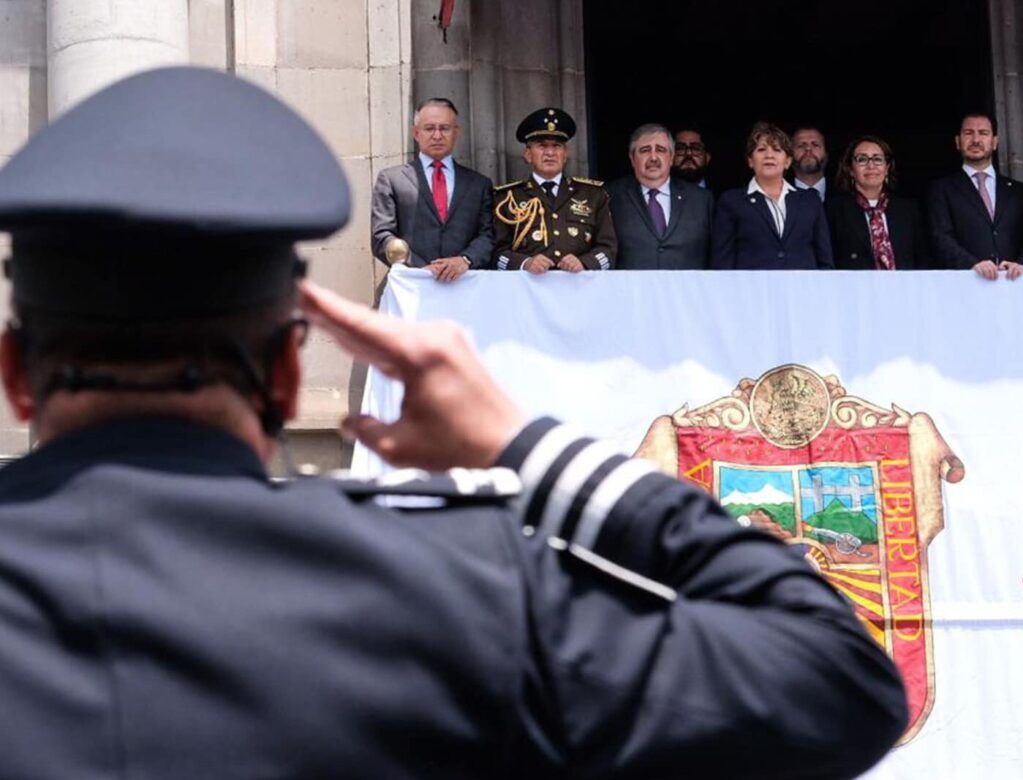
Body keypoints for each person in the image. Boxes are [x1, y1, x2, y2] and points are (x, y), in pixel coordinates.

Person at [0, 67, 908, 777]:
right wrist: (527, 449)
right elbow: (840, 682)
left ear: (14, 377)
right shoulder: (449, 583)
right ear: (285, 374)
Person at [370, 98, 493, 281]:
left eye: (444, 128)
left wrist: (464, 260)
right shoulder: (391, 179)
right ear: (416, 133)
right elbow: (381, 236)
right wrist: (420, 268)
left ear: (456, 132)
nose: (437, 136)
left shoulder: (479, 184)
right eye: (429, 128)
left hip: (464, 286)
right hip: (410, 285)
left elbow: (488, 235)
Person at [492, 108, 617, 273]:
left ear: (565, 154)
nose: (550, 153)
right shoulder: (507, 197)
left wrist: (585, 263)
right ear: (528, 154)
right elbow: (496, 253)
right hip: (527, 292)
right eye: (542, 146)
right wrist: (525, 263)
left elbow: (609, 249)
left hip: (580, 289)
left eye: (557, 146)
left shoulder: (593, 195)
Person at [926, 112, 1023, 280]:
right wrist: (972, 264)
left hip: (1014, 282)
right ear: (957, 141)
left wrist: (1021, 264)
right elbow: (940, 237)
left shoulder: (1021, 192)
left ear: (994, 142)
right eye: (968, 133)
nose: (976, 140)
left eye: (983, 133)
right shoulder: (941, 189)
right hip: (965, 283)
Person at [711, 121, 833, 270]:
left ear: (787, 161)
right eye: (761, 149)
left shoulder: (810, 201)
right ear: (750, 161)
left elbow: (824, 259)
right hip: (750, 290)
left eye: (776, 149)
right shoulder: (731, 201)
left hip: (802, 290)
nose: (769, 155)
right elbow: (722, 260)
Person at [607, 123, 714, 269]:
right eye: (645, 150)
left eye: (661, 150)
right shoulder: (610, 196)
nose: (653, 157)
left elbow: (715, 255)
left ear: (671, 158)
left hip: (687, 290)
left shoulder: (702, 200)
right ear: (632, 158)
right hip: (631, 290)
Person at [826, 135, 928, 270]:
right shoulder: (833, 210)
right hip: (853, 289)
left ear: (887, 168)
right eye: (862, 159)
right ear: (850, 170)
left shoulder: (908, 210)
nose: (871, 165)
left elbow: (923, 259)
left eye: (877, 159)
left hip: (905, 288)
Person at [791, 126, 830, 201]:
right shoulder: (777, 196)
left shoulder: (846, 195)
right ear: (789, 156)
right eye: (801, 146)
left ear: (826, 155)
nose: (808, 149)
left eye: (815, 145)